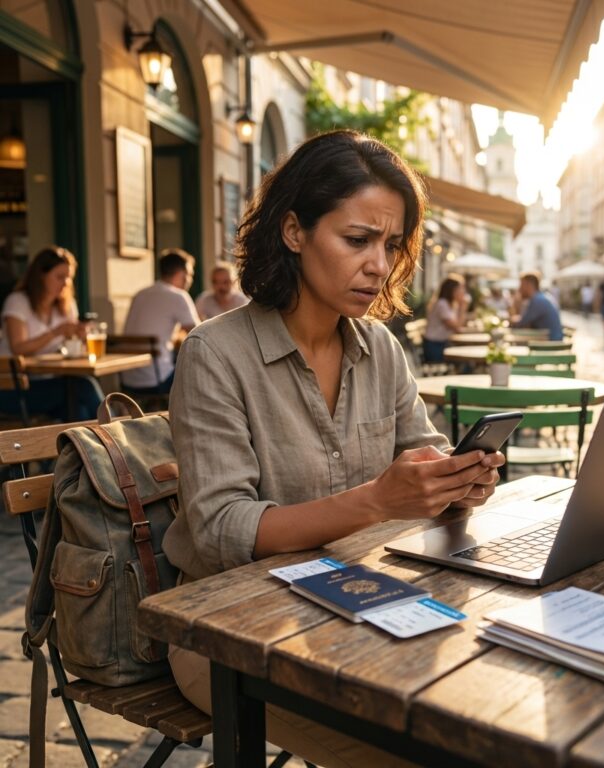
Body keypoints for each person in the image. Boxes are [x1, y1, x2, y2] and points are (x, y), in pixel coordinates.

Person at [162, 130, 505, 768]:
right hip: (231, 632)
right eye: (358, 240)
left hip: (363, 600)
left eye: (392, 244)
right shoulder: (217, 353)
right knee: (425, 749)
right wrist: (379, 500)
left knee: (494, 698)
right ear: (294, 231)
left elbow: (423, 456)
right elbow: (218, 529)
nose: (379, 264)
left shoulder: (380, 350)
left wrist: (457, 482)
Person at [0, 246, 103, 421]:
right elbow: (18, 348)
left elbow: (73, 350)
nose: (65, 283)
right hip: (14, 388)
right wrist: (57, 332)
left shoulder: (66, 305)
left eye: (69, 277)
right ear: (41, 275)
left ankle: (90, 447)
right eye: (59, 277)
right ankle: (119, 438)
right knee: (82, 387)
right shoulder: (18, 302)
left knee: (78, 411)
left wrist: (80, 336)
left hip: (50, 382)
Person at [120, 248, 200, 395]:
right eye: (190, 275)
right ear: (182, 274)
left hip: (128, 379)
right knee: (200, 372)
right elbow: (201, 337)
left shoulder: (139, 294)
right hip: (157, 379)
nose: (190, 280)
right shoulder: (178, 296)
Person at [422, 274, 468, 362]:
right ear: (452, 290)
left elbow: (457, 327)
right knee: (465, 364)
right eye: (460, 289)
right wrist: (462, 307)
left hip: (442, 344)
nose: (463, 292)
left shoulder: (450, 304)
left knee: (466, 362)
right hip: (434, 347)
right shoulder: (442, 304)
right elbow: (456, 327)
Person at [513, 271, 563, 340]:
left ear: (528, 285)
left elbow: (521, 323)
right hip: (552, 341)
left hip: (550, 344)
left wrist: (517, 303)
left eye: (521, 285)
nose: (519, 289)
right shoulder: (542, 297)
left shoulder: (537, 301)